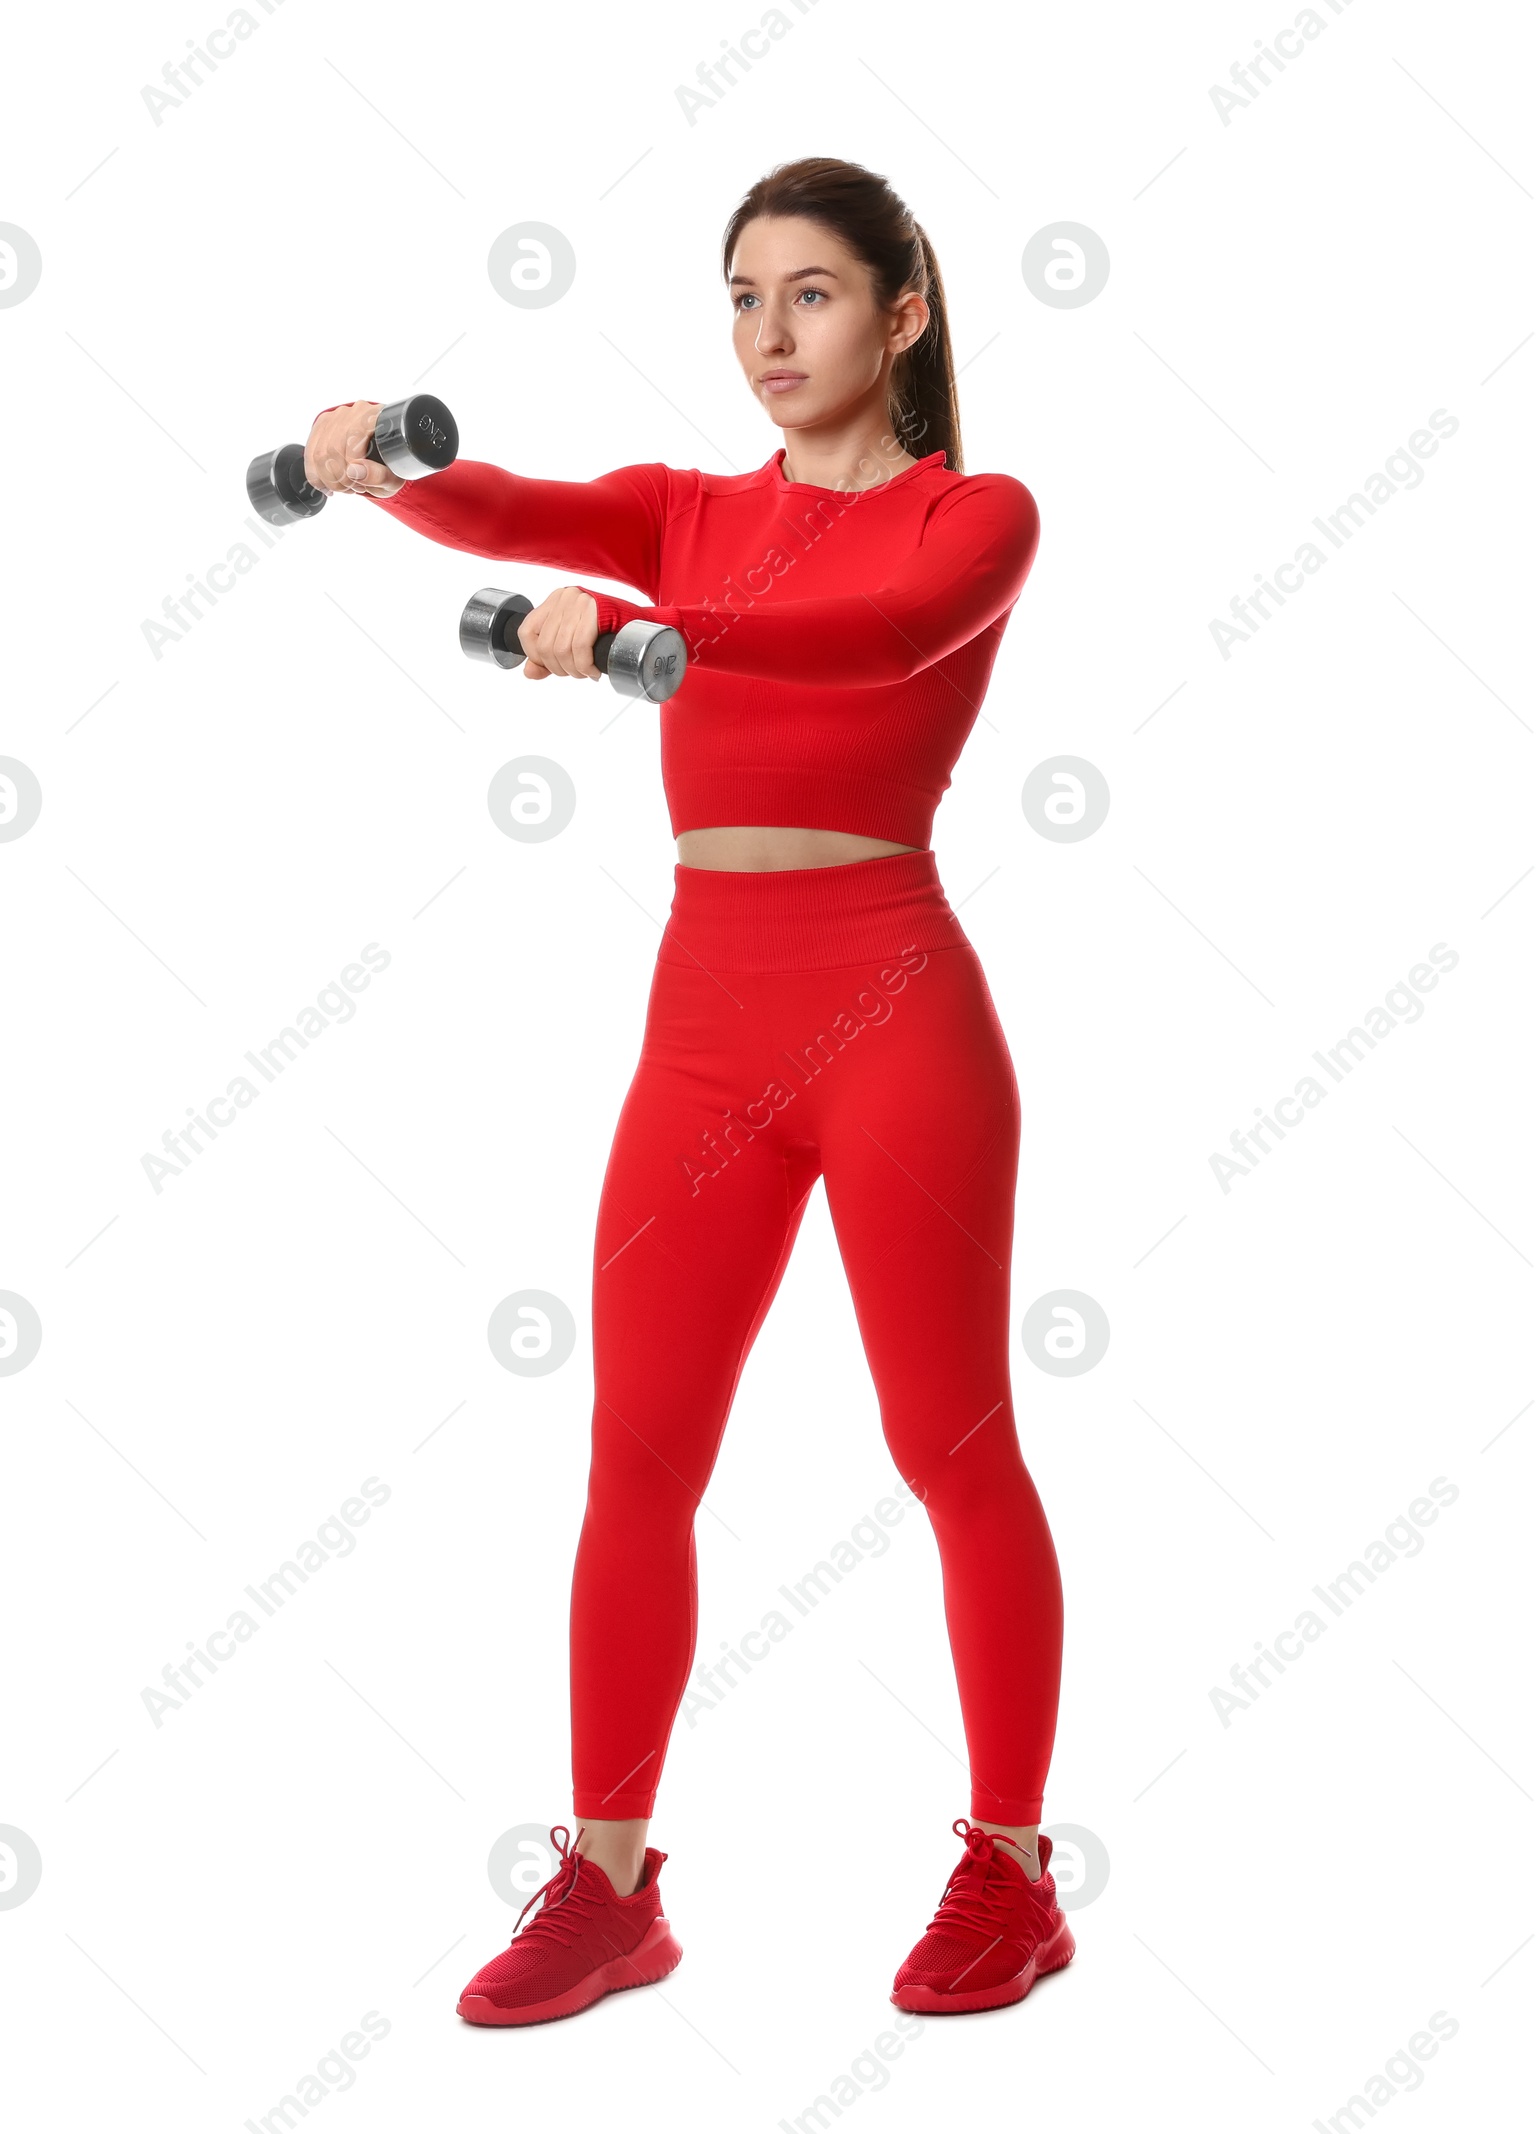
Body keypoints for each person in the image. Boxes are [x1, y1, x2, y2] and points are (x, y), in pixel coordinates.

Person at [303, 155, 1070, 2023]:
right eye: (741, 297)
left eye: (809, 295)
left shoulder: (979, 515)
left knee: (948, 1446)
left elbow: (873, 640)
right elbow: (512, 506)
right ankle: (612, 1881)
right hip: (706, 1021)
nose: (767, 336)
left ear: (902, 316)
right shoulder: (686, 507)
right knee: (637, 1455)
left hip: (895, 1006)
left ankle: (1014, 1872)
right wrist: (380, 466)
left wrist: (655, 639)